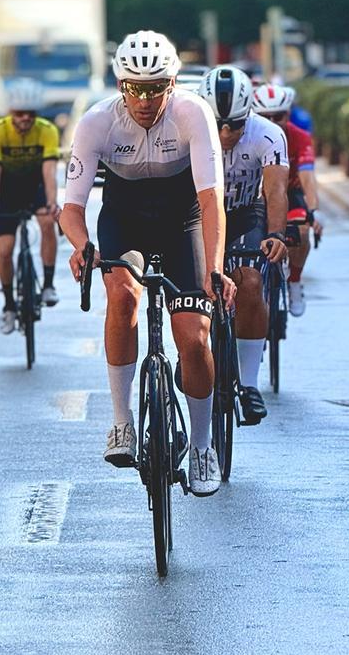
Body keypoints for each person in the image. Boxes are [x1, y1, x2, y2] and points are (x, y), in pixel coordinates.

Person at [60, 30, 235, 497]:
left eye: (155, 88)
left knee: (195, 337)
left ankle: (202, 446)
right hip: (126, 220)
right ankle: (122, 421)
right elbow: (71, 209)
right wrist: (83, 246)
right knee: (122, 296)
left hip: (183, 221)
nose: (144, 100)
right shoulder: (97, 122)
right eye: (134, 88)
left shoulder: (193, 113)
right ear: (120, 85)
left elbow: (211, 201)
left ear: (172, 83)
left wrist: (215, 267)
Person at [197, 65, 289, 423]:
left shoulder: (268, 134)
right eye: (217, 124)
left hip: (245, 213)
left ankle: (248, 385)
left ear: (248, 114)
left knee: (250, 282)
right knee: (194, 286)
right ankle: (192, 352)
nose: (225, 133)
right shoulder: (187, 130)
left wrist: (276, 234)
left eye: (234, 125)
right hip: (197, 215)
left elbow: (275, 190)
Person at [0, 77, 61, 334]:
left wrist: (52, 202)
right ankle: (8, 305)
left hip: (35, 186)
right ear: (10, 111)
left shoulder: (47, 130)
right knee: (5, 250)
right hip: (7, 190)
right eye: (19, 113)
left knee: (47, 222)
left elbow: (49, 171)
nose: (25, 118)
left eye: (31, 113)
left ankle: (48, 284)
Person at [251, 84, 320, 316]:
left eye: (278, 116)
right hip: (257, 195)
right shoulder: (248, 135)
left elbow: (307, 176)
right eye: (265, 117)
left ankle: (295, 282)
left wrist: (313, 210)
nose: (272, 122)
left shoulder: (300, 137)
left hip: (290, 193)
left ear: (288, 115)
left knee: (302, 231)